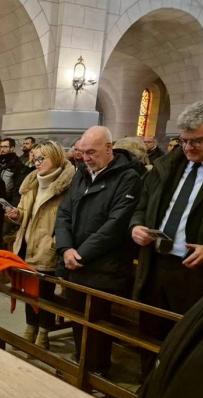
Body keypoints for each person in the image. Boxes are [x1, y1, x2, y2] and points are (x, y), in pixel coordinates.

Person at [130, 101, 203, 374]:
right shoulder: (168, 164)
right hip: (156, 265)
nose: (188, 148)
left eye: (197, 141)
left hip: (202, 274)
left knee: (188, 342)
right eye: (183, 140)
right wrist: (137, 226)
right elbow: (142, 205)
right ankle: (147, 389)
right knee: (150, 334)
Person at [55, 125, 142, 373]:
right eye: (82, 152)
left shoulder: (128, 178)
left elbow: (115, 225)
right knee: (77, 317)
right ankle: (81, 362)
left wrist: (80, 254)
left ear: (109, 148)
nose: (85, 157)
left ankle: (95, 370)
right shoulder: (81, 173)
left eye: (91, 152)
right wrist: (65, 248)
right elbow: (64, 213)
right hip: (74, 261)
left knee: (97, 323)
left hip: (104, 267)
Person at [6, 141, 74, 349]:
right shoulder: (31, 182)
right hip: (26, 245)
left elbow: (68, 219)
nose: (37, 163)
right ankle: (30, 327)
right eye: (35, 159)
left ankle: (44, 331)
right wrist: (17, 215)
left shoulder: (67, 185)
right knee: (29, 291)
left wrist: (55, 242)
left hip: (47, 248)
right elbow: (25, 211)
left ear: (56, 157)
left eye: (41, 158)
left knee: (45, 294)